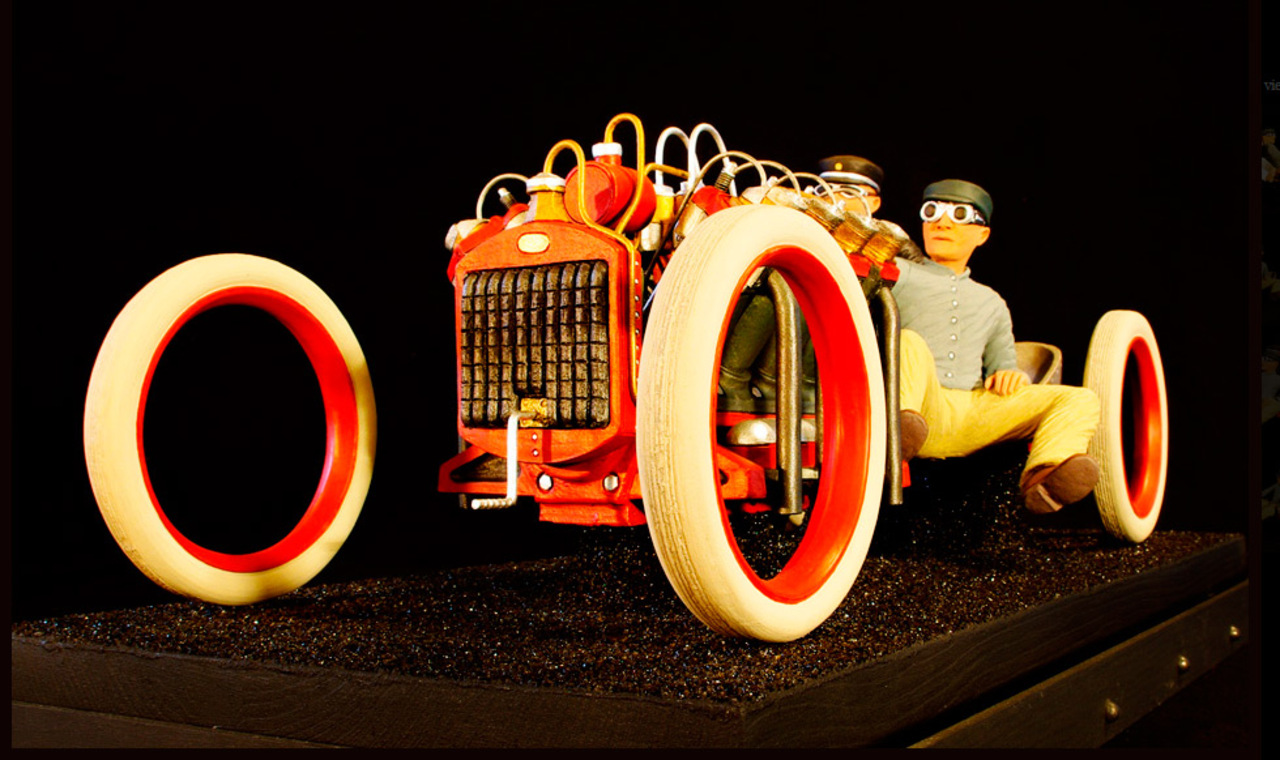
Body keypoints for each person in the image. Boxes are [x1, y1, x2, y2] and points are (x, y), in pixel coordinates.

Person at [892, 179, 1102, 514]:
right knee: (911, 341)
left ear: (982, 234)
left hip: (972, 411)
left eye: (959, 215)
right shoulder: (898, 274)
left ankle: (1045, 475)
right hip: (916, 403)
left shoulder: (991, 302)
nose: (942, 223)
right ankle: (895, 436)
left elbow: (1003, 363)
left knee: (1080, 398)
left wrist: (1011, 374)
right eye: (932, 212)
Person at [817, 155, 925, 261]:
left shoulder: (891, 241)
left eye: (848, 192)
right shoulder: (809, 228)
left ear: (874, 203)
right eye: (824, 190)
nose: (833, 198)